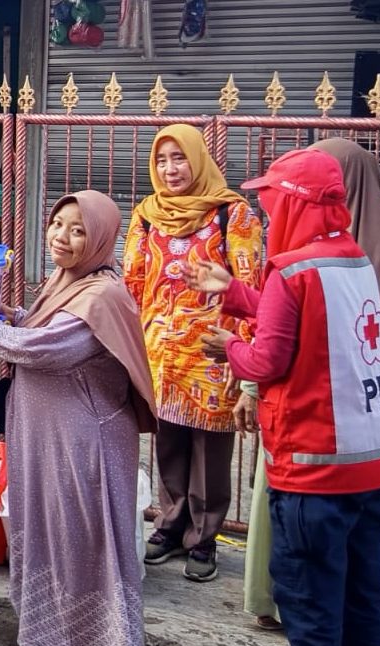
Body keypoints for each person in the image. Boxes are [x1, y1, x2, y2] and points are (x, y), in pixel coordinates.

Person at [189, 149, 380, 646]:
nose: (265, 212)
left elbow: (268, 359)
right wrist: (236, 291)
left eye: (271, 202)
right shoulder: (353, 257)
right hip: (375, 462)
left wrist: (228, 349)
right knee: (364, 593)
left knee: (310, 600)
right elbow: (308, 322)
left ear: (294, 205)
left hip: (316, 467)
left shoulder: (290, 270)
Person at [0, 190, 157, 646]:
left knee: (76, 544)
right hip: (54, 440)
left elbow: (50, 347)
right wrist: (11, 318)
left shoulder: (101, 296)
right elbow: (43, 328)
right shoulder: (69, 282)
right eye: (58, 224)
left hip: (82, 447)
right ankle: (51, 642)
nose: (62, 236)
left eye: (78, 230)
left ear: (100, 239)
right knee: (51, 536)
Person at [240, 138, 380, 642]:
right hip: (335, 443)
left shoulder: (357, 264)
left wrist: (239, 358)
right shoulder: (337, 260)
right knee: (340, 585)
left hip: (327, 447)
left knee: (326, 594)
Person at [122, 123, 262, 582]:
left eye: (179, 158)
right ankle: (169, 524)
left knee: (210, 450)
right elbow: (133, 282)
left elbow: (250, 285)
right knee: (168, 442)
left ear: (198, 159)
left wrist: (246, 353)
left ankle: (204, 536)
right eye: (162, 160)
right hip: (160, 351)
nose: (170, 169)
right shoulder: (146, 215)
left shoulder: (232, 214)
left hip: (213, 351)